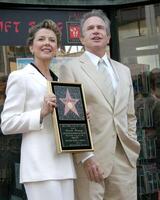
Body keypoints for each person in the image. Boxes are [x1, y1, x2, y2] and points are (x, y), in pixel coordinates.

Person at [59, 9, 140, 200]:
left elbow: (130, 114)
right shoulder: (69, 68)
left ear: (109, 37)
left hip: (124, 157)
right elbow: (68, 119)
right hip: (92, 160)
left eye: (100, 27)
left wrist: (133, 146)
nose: (96, 31)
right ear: (82, 38)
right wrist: (86, 156)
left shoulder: (123, 70)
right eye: (90, 28)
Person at [1, 19, 76, 200]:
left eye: (52, 40)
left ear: (57, 48)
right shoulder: (20, 77)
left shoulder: (60, 81)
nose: (47, 43)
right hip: (39, 167)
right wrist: (40, 113)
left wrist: (79, 117)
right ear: (31, 47)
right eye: (41, 39)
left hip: (65, 165)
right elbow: (7, 124)